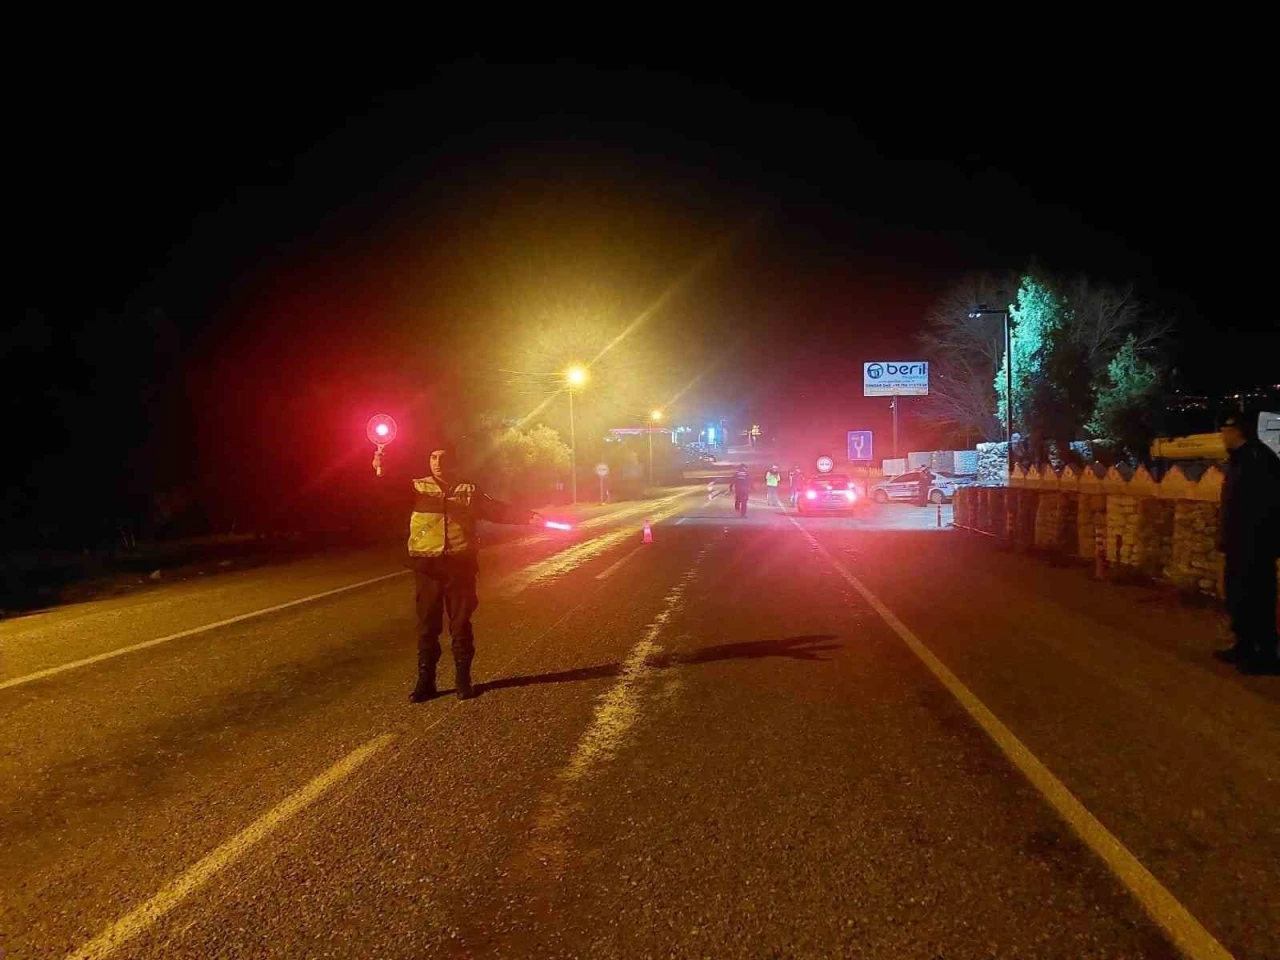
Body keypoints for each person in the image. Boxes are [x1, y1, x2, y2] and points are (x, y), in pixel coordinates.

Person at [407, 445, 543, 702]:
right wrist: (378, 468)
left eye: (442, 458)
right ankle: (426, 682)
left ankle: (463, 680)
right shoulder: (416, 487)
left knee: (460, 625)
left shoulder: (467, 489)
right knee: (427, 626)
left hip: (460, 566)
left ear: (453, 461)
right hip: (427, 567)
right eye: (433, 457)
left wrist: (528, 517)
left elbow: (495, 509)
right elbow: (382, 493)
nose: (437, 462)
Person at [1213, 414, 1280, 674]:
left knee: (1257, 598)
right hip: (1238, 544)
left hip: (1255, 545)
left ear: (1237, 431)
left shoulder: (1257, 459)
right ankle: (1244, 645)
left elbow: (1265, 505)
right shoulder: (1239, 460)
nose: (1222, 435)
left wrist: (1259, 540)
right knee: (1238, 597)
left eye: (1225, 430)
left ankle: (1266, 654)